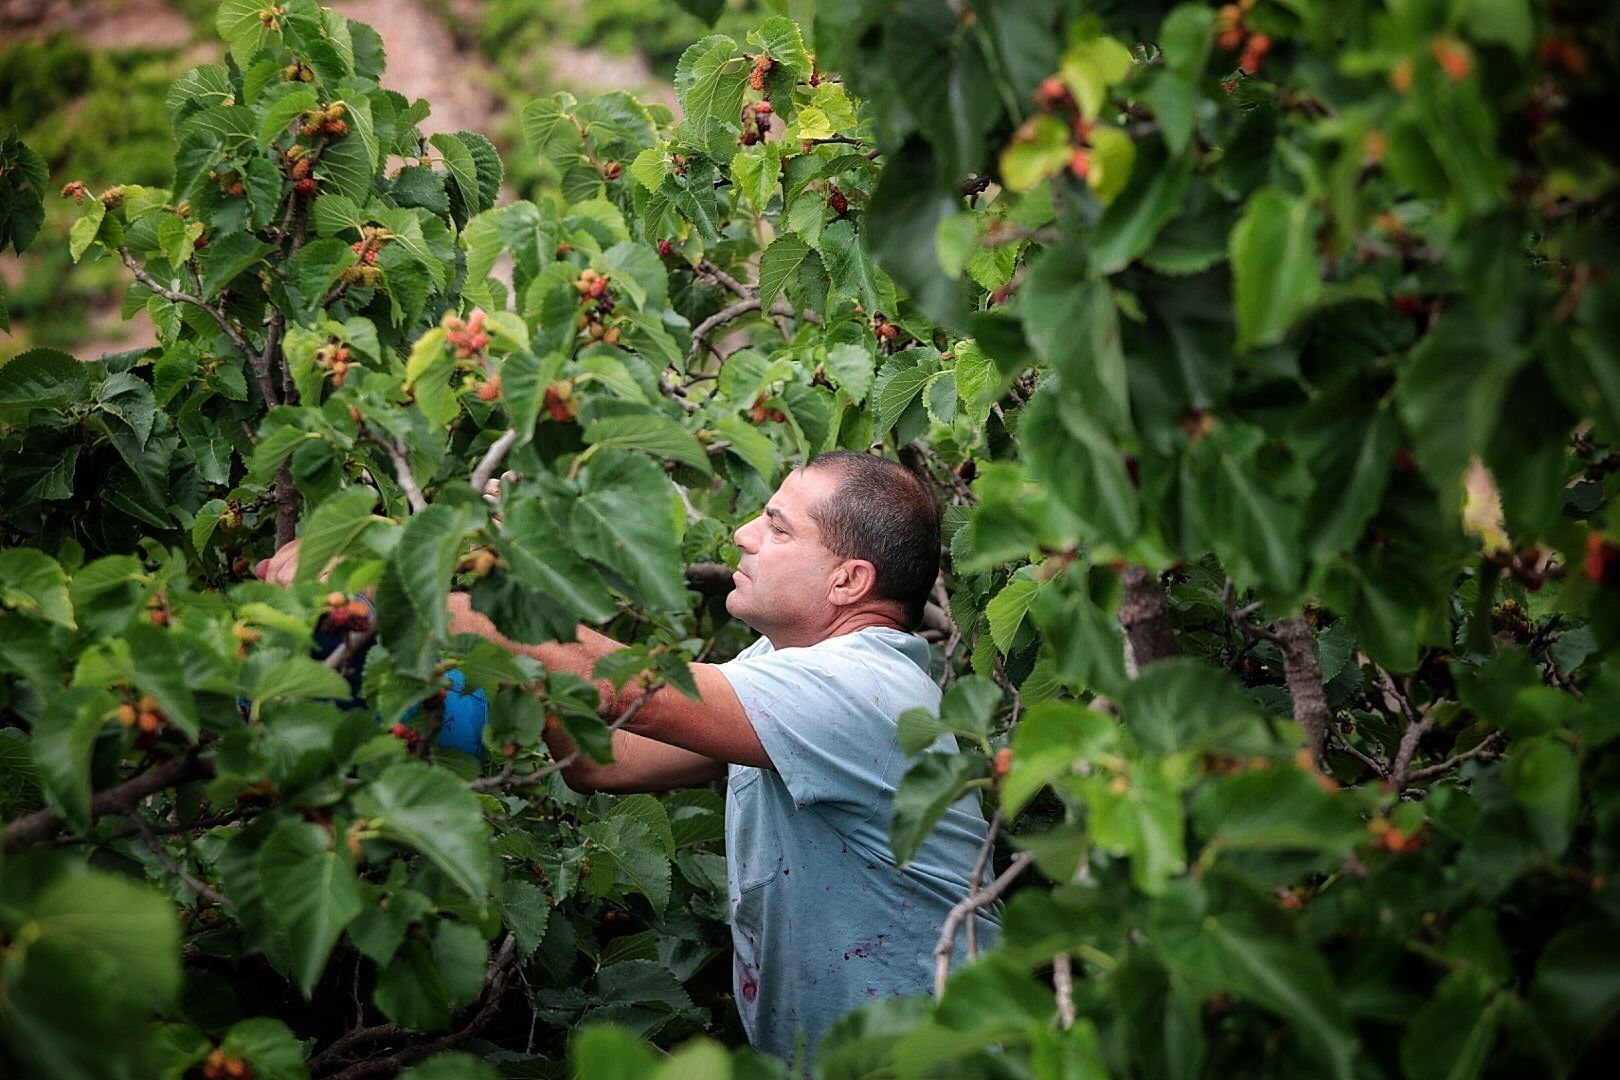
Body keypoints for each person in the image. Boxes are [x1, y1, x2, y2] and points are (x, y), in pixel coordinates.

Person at [261, 451, 997, 1060]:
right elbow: (604, 760)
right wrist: (512, 646)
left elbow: (630, 689)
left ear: (847, 581)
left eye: (776, 527)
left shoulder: (862, 690)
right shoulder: (782, 669)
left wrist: (410, 576)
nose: (742, 534)